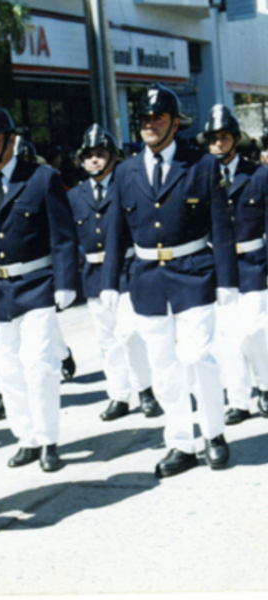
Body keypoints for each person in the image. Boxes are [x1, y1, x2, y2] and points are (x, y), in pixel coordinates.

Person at [100, 83, 239, 478]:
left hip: (193, 273)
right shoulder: (125, 171)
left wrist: (227, 281)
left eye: (158, 119)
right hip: (146, 279)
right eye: (144, 119)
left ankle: (213, 434)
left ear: (175, 124)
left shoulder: (202, 165)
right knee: (163, 367)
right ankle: (180, 442)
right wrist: (110, 281)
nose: (149, 125)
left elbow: (221, 227)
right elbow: (116, 230)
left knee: (198, 358)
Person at [0, 103, 79, 473]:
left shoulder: (41, 178)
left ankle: (48, 440)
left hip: (36, 284)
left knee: (38, 365)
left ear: (12, 140)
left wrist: (65, 282)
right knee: (7, 367)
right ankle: (25, 437)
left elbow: (63, 236)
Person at [68, 124, 159, 421]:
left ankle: (145, 389)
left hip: (127, 269)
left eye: (101, 154)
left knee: (130, 333)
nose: (94, 160)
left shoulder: (128, 185)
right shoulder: (75, 196)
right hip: (94, 274)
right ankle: (119, 395)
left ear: (114, 157)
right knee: (107, 339)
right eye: (89, 155)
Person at [203, 105, 268, 424]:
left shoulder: (259, 174)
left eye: (224, 137)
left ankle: (266, 385)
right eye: (213, 139)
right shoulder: (200, 178)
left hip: (254, 262)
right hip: (218, 267)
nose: (218, 144)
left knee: (256, 330)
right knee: (227, 338)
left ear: (235, 139)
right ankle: (238, 400)